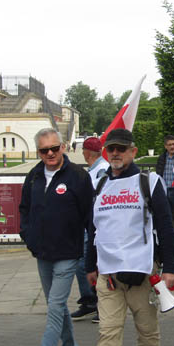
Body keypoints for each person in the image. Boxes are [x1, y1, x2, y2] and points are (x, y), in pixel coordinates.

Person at [82, 128, 174, 346]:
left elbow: (166, 226)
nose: (115, 153)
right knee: (108, 333)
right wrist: (90, 265)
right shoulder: (100, 184)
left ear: (133, 152)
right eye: (111, 149)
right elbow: (93, 228)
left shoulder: (149, 182)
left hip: (143, 272)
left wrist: (171, 268)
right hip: (108, 275)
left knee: (146, 330)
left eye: (121, 149)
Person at [19, 128, 93, 346]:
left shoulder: (78, 177)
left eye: (54, 148)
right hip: (43, 254)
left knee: (54, 307)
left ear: (62, 147)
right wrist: (28, 237)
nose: (50, 154)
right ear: (38, 152)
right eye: (44, 150)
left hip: (68, 255)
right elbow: (24, 209)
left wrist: (91, 257)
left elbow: (90, 217)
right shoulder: (34, 176)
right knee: (58, 306)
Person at [71, 137, 108, 322]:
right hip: (88, 225)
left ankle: (99, 303)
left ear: (86, 153)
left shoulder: (101, 170)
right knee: (82, 264)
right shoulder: (96, 169)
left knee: (88, 265)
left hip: (95, 226)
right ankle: (90, 300)